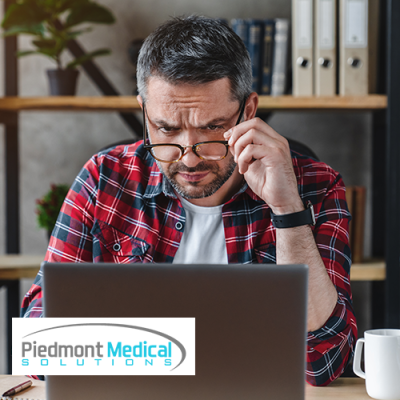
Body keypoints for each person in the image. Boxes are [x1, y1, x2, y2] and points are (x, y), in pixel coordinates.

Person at [21, 15, 357, 386]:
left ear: (247, 111)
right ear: (144, 112)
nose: (190, 156)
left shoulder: (314, 186)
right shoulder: (105, 179)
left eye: (212, 127)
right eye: (167, 128)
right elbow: (41, 344)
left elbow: (324, 364)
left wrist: (287, 211)